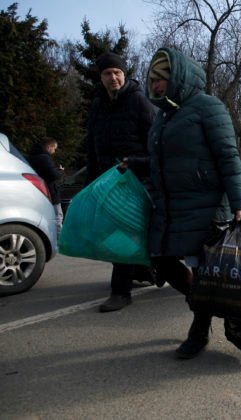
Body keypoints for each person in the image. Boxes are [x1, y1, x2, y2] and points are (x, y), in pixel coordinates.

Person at [123, 47, 241, 359]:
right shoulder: (164, 117)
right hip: (170, 206)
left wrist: (239, 199)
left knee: (204, 270)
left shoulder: (208, 107)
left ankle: (199, 329)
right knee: (161, 261)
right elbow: (159, 160)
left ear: (179, 76)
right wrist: (135, 164)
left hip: (205, 204)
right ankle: (202, 303)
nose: (156, 85)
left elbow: (227, 156)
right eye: (153, 79)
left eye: (163, 78)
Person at [86, 51, 157, 312]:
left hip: (136, 179)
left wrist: (136, 163)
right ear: (101, 77)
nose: (113, 77)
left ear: (124, 74)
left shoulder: (139, 101)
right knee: (118, 231)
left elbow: (156, 144)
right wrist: (91, 183)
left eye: (117, 72)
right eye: (107, 73)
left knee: (122, 232)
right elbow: (92, 148)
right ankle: (146, 271)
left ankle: (121, 291)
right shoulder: (97, 106)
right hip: (108, 181)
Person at [28, 137, 65, 236]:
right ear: (49, 147)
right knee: (57, 216)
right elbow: (52, 175)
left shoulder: (32, 156)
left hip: (38, 192)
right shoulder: (44, 157)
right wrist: (60, 171)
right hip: (50, 191)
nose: (54, 151)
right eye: (54, 148)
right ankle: (58, 239)